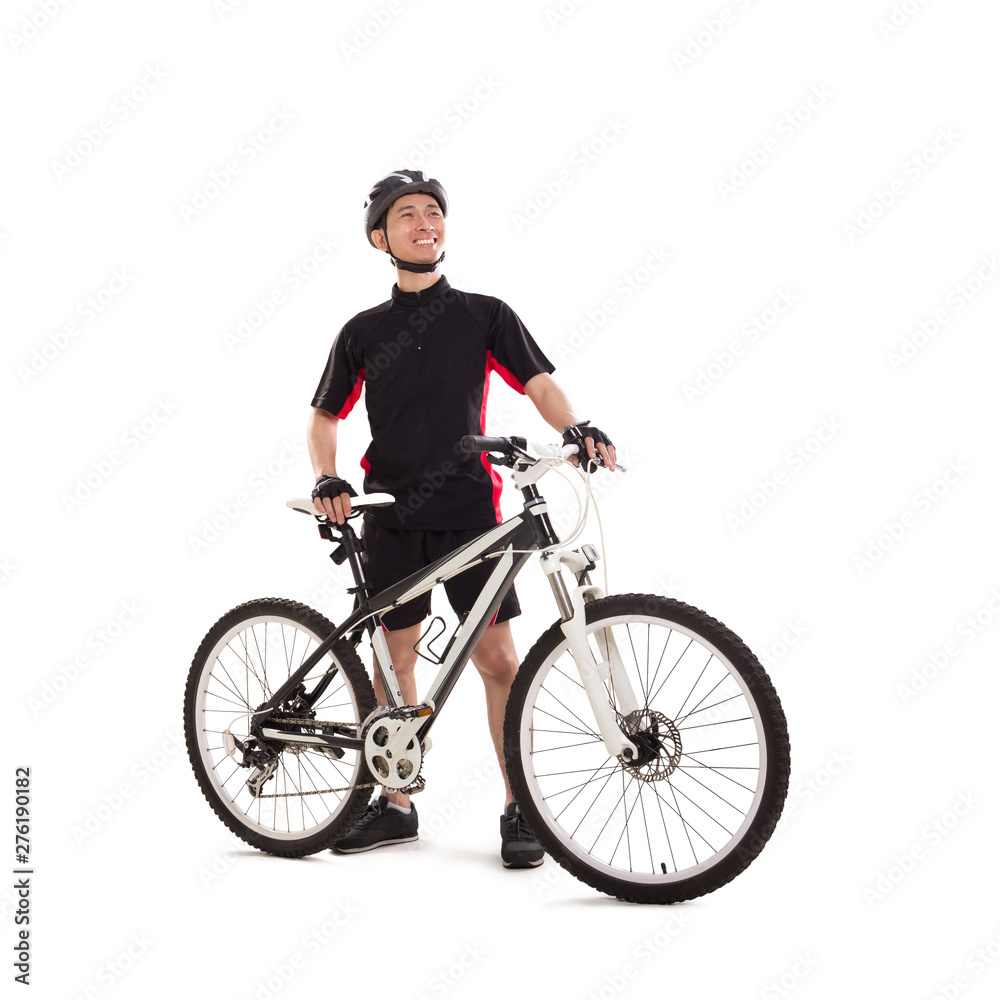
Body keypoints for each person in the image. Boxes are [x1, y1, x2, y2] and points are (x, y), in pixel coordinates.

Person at [307, 169, 616, 868]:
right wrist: (326, 474)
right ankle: (395, 804)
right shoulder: (362, 332)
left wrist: (577, 426)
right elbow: (325, 414)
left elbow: (537, 383)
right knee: (398, 662)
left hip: (471, 515)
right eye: (408, 215)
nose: (426, 223)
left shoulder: (484, 314)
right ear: (381, 237)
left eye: (434, 213)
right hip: (390, 512)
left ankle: (519, 808)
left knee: (500, 660)